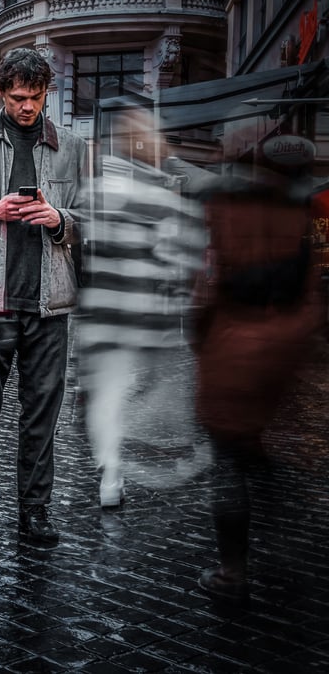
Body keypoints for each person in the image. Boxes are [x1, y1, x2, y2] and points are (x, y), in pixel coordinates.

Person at [0, 47, 87, 545]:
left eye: (35, 96)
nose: (26, 106)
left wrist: (60, 220)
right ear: (1, 93)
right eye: (16, 97)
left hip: (49, 304)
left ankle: (35, 511)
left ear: (47, 92)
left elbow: (90, 219)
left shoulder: (72, 147)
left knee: (40, 417)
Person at [193, 155, 323, 602]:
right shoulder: (301, 215)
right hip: (283, 349)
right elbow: (310, 295)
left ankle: (233, 573)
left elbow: (207, 286)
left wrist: (201, 338)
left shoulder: (226, 207)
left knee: (228, 462)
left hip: (233, 349)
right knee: (253, 450)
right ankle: (285, 525)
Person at [75, 104, 206, 507]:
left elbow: (86, 247)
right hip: (146, 317)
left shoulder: (98, 193)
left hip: (104, 315)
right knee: (148, 390)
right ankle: (168, 457)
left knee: (110, 395)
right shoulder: (168, 202)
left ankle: (110, 473)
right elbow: (186, 259)